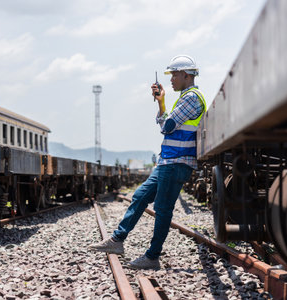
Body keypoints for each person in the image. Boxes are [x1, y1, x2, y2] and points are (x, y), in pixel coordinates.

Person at [89, 55, 207, 270]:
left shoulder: (192, 97)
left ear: (185, 75)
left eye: (173, 75)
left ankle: (152, 257)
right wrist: (162, 103)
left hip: (177, 162)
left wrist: (162, 106)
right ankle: (117, 241)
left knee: (162, 209)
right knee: (140, 195)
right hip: (167, 162)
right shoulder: (184, 97)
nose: (171, 79)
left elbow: (167, 126)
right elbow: (167, 122)